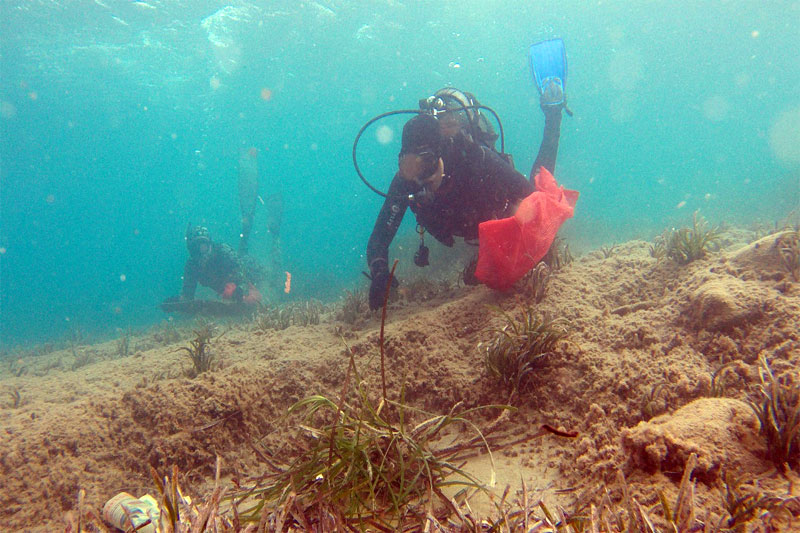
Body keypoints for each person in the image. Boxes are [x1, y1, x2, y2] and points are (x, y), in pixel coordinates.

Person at [365, 79, 568, 310]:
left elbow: (532, 195)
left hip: (492, 209)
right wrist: (380, 273)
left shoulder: (475, 158)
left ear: (442, 153)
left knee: (539, 193)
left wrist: (510, 246)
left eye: (429, 164)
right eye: (411, 165)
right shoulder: (407, 179)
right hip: (459, 226)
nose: (422, 178)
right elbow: (378, 238)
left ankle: (553, 115)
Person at [180, 224, 262, 304]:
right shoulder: (192, 266)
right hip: (229, 291)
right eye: (195, 248)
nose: (201, 252)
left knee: (246, 258)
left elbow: (243, 270)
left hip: (249, 281)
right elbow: (187, 294)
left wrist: (243, 290)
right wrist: (180, 301)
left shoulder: (223, 252)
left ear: (209, 245)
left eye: (203, 246)